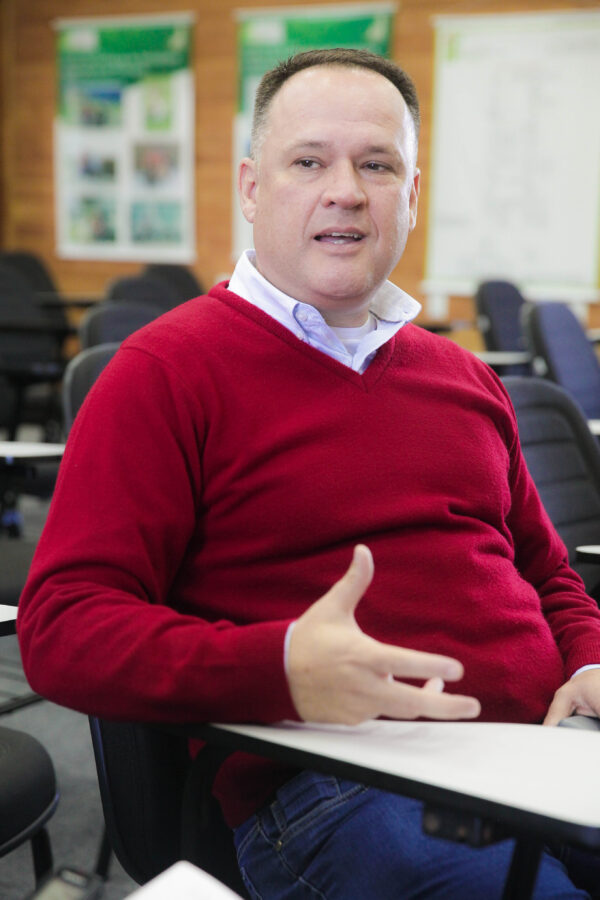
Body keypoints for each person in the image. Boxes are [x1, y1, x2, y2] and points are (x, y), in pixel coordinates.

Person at [17, 48, 600, 899]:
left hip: (539, 754)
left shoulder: (466, 378)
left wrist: (588, 659)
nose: (347, 190)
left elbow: (549, 573)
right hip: (340, 789)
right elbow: (63, 627)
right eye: (308, 161)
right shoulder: (164, 373)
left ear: (411, 193)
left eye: (376, 164)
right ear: (253, 189)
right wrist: (280, 668)